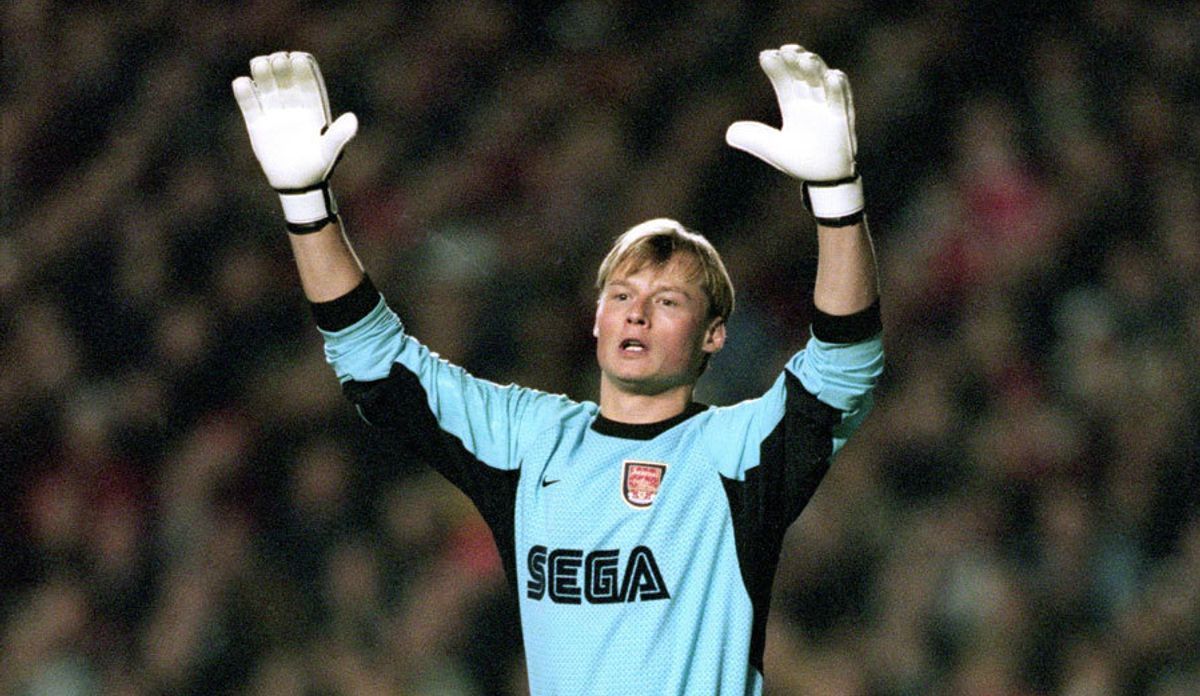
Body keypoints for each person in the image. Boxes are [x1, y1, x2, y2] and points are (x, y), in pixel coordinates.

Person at [232, 44, 883, 695]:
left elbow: (844, 367)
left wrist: (837, 200)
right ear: (597, 321)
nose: (637, 314)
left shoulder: (734, 454)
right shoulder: (528, 440)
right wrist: (305, 203)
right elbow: (373, 362)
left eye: (668, 301)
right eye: (622, 296)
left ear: (713, 335)